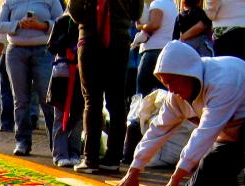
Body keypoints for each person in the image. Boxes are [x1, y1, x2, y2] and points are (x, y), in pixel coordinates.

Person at [108, 41, 245, 186]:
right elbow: (157, 130)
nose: (171, 90)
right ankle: (229, 180)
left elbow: (205, 133)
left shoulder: (223, 80)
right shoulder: (175, 96)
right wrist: (134, 170)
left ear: (189, 73)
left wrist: (174, 180)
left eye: (173, 82)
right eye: (166, 84)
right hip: (232, 137)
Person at [69, 0, 144, 173]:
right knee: (116, 100)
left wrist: (91, 15)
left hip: (91, 38)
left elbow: (75, 11)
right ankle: (112, 158)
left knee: (92, 100)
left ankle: (91, 158)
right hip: (118, 41)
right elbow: (136, 12)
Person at [0, 0, 62, 156]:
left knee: (47, 99)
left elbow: (62, 24)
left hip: (44, 52)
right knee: (20, 99)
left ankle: (57, 144)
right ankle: (22, 141)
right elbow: (0, 25)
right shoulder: (9, 1)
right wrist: (18, 24)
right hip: (16, 52)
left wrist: (42, 26)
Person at [47, 10, 83, 167]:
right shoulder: (62, 21)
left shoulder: (88, 20)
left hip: (83, 72)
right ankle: (60, 152)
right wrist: (67, 40)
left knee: (79, 113)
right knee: (61, 112)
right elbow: (51, 46)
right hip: (63, 70)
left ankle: (75, 151)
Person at [135, 0, 178, 97]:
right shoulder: (172, 5)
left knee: (143, 92)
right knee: (163, 94)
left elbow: (154, 24)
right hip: (167, 51)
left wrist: (139, 26)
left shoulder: (158, 4)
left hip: (153, 51)